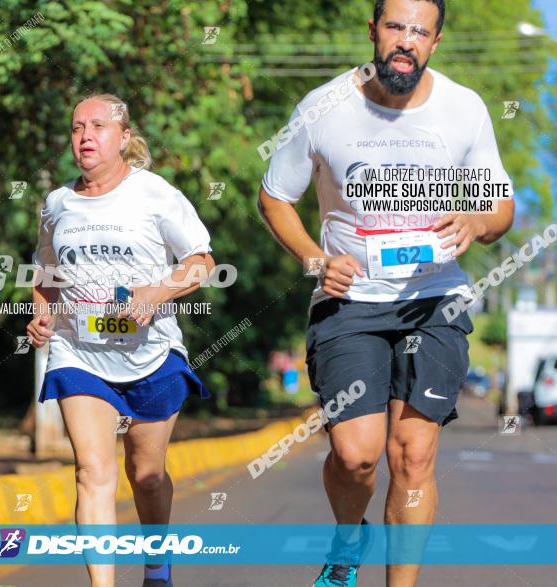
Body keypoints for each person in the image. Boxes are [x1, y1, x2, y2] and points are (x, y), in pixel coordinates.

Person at [257, 1, 514, 585]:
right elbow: (275, 197)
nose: (406, 41)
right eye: (395, 27)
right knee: (357, 454)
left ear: (435, 41)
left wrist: (475, 224)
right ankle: (348, 540)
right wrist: (314, 259)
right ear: (373, 31)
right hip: (349, 300)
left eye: (419, 31)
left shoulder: (463, 110)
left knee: (413, 454)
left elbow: (500, 206)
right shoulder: (324, 108)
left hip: (434, 298)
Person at [27, 93, 215, 587]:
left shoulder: (155, 193)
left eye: (98, 126)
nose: (85, 136)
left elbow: (201, 260)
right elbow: (45, 272)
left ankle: (156, 566)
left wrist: (157, 291)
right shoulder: (56, 204)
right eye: (76, 128)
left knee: (146, 474)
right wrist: (42, 315)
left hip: (150, 354)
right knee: (92, 471)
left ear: (124, 137)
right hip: (79, 353)